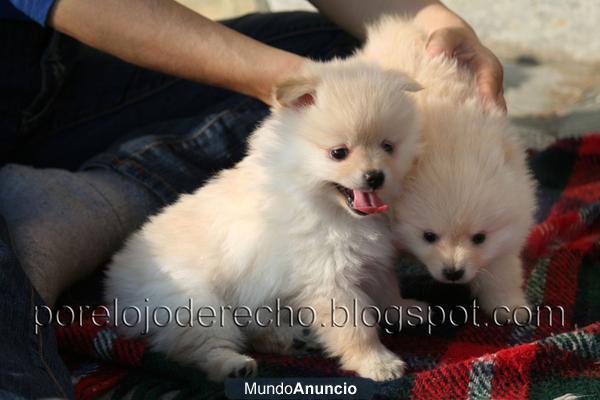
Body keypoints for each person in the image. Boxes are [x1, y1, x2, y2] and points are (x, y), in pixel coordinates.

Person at [0, 0, 505, 397]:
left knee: (341, 41)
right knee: (215, 307)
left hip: (64, 70)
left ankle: (100, 197)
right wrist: (363, 350)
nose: (372, 170)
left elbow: (370, 258)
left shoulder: (348, 189)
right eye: (339, 152)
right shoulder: (297, 209)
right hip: (165, 272)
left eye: (388, 149)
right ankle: (100, 205)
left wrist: (435, 26)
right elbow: (325, 288)